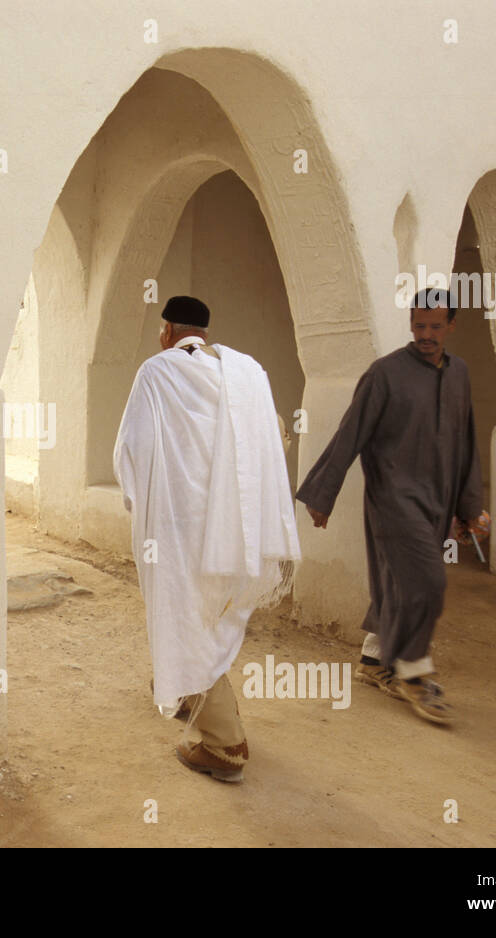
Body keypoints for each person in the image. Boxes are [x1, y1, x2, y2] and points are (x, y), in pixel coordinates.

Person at [114, 295, 300, 783]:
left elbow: (132, 447)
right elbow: (275, 437)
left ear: (167, 329)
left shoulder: (157, 372)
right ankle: (180, 690)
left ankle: (225, 744)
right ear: (205, 332)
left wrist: (140, 503)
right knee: (210, 614)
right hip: (236, 526)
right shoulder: (247, 372)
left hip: (179, 525)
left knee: (188, 617)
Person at [295, 287, 485, 725]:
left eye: (436, 326)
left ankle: (374, 661)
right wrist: (324, 494)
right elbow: (351, 432)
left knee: (399, 579)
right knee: (427, 582)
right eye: (419, 325)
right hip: (394, 498)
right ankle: (413, 672)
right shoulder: (385, 374)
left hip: (437, 499)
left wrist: (469, 507)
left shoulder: (459, 375)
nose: (426, 334)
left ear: (451, 326)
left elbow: (468, 441)